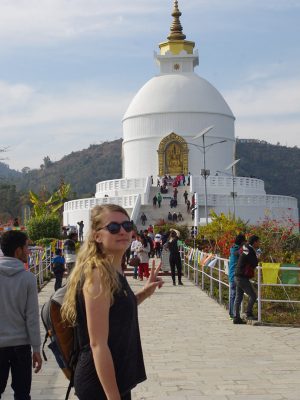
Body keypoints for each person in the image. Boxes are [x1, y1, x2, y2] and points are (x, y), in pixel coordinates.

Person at [61, 204, 163, 400]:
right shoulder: (97, 275)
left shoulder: (113, 269)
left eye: (127, 225)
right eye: (113, 227)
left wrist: (144, 293)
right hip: (100, 383)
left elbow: (114, 310)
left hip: (116, 376)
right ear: (97, 236)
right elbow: (97, 344)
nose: (123, 231)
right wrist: (113, 396)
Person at [0, 231, 42, 400]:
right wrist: (37, 349)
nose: (29, 251)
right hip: (21, 346)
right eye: (26, 247)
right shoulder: (28, 278)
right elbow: (31, 317)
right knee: (23, 394)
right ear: (18, 251)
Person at [233, 235, 260, 324]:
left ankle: (236, 317)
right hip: (242, 277)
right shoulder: (250, 249)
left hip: (237, 275)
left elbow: (236, 253)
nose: (259, 243)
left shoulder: (245, 248)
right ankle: (248, 313)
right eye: (258, 242)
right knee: (253, 296)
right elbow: (254, 263)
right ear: (255, 242)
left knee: (238, 297)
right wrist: (258, 256)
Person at [228, 234, 246, 319]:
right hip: (237, 275)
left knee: (232, 295)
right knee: (237, 296)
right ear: (242, 242)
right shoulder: (240, 250)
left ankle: (231, 313)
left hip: (231, 275)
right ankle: (235, 315)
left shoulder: (232, 249)